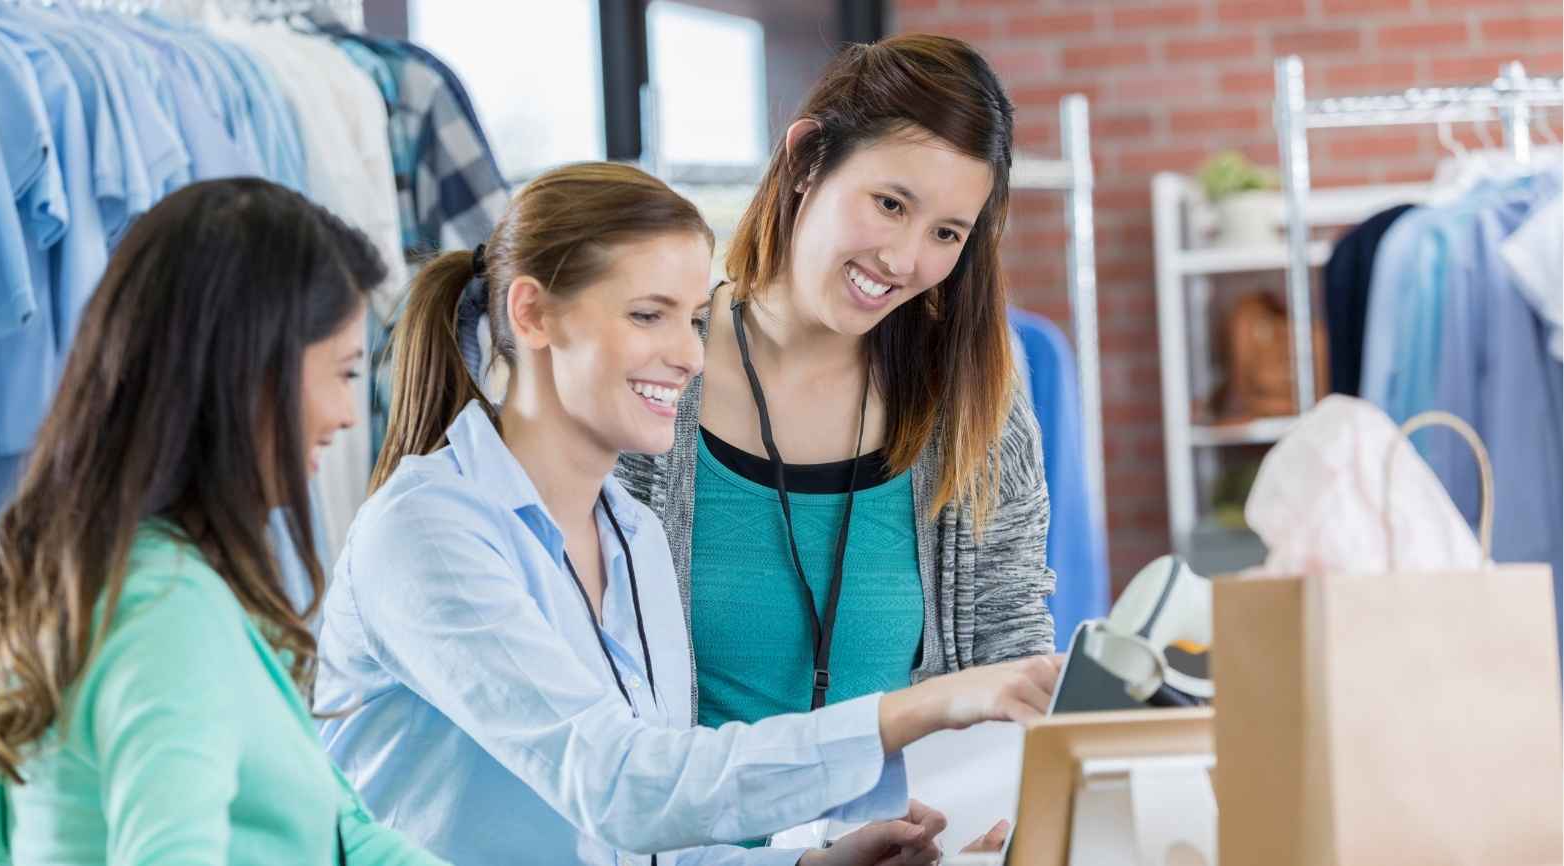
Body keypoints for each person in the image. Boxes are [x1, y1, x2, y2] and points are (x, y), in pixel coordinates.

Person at [314, 161, 1059, 866]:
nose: (691, 355)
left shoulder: (632, 537)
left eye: (696, 317)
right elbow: (620, 784)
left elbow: (650, 846)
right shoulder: (429, 532)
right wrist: (925, 705)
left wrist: (809, 862)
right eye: (649, 316)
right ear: (533, 314)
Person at [614, 38, 1057, 848]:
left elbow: (1009, 652)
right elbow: (603, 736)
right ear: (807, 158)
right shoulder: (648, 388)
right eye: (890, 204)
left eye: (947, 233)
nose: (904, 259)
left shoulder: (975, 407)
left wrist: (1001, 820)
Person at [0, 179, 446, 866]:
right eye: (344, 373)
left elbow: (344, 835)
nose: (351, 415)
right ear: (251, 375)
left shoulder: (122, 577)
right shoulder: (162, 605)